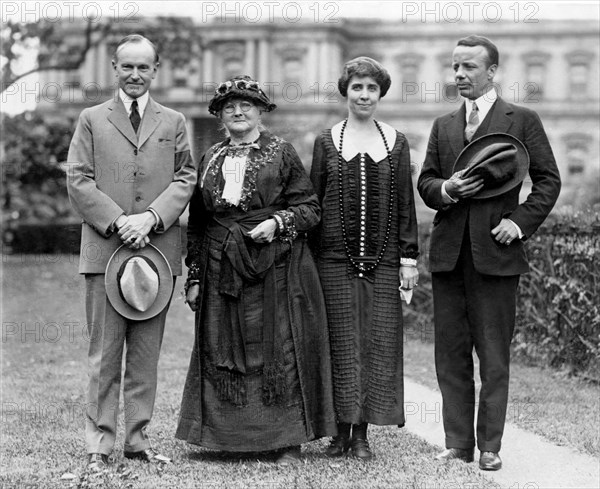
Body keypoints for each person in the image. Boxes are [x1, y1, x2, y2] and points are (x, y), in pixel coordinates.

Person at [175, 75, 336, 465]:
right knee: (220, 346)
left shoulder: (282, 152)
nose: (238, 111)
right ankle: (226, 441)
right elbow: (197, 222)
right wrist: (195, 276)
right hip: (220, 267)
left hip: (275, 266)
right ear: (219, 115)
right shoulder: (211, 156)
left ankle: (285, 442)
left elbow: (310, 209)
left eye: (246, 104)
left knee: (276, 347)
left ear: (261, 111)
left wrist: (278, 223)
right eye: (229, 106)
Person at [417, 35, 561, 471]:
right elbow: (426, 182)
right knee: (451, 355)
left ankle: (490, 447)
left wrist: (518, 222)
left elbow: (548, 181)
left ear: (492, 71)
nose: (459, 75)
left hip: (497, 258)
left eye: (468, 68)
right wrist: (445, 189)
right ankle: (458, 443)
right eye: (455, 67)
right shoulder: (443, 125)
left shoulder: (522, 119)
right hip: (448, 258)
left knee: (494, 356)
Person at [66, 34, 198, 471]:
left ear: (156, 70)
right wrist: (120, 220)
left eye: (144, 67)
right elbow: (79, 179)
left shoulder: (174, 120)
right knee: (104, 353)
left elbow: (185, 177)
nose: (136, 75)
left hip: (157, 250)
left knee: (145, 353)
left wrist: (153, 218)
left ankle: (137, 440)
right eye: (128, 67)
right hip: (106, 248)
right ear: (114, 68)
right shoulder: (91, 118)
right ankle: (99, 445)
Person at [310, 57, 419, 460]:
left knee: (377, 343)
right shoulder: (327, 141)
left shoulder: (396, 141)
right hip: (333, 260)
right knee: (338, 342)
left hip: (385, 261)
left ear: (380, 93)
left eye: (371, 88)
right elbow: (313, 203)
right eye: (357, 87)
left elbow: (405, 204)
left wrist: (408, 259)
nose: (364, 95)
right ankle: (339, 433)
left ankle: (362, 435)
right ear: (346, 91)